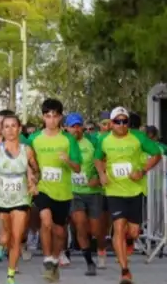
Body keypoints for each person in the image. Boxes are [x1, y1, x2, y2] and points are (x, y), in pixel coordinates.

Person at [94, 106, 162, 284]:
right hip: (114, 191)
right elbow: (97, 158)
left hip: (135, 190)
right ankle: (125, 271)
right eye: (118, 121)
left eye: (125, 121)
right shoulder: (104, 140)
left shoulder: (138, 137)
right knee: (118, 227)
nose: (122, 125)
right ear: (111, 123)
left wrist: (142, 171)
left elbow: (156, 154)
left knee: (133, 232)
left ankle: (129, 241)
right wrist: (101, 174)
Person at [27, 99, 82, 282]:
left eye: (55, 116)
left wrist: (68, 160)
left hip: (62, 192)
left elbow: (77, 168)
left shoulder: (68, 139)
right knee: (46, 221)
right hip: (42, 188)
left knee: (59, 232)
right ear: (43, 117)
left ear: (60, 117)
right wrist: (31, 177)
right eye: (48, 116)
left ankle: (56, 258)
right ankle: (47, 259)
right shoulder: (34, 138)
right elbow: (26, 160)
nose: (51, 120)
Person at [0, 114, 36, 284]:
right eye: (6, 127)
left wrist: (33, 180)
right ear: (2, 131)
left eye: (13, 126)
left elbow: (35, 169)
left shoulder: (27, 150)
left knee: (16, 238)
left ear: (19, 129)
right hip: (0, 199)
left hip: (21, 198)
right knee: (5, 238)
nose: (10, 130)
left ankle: (10, 276)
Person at [64, 113, 105, 275]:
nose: (76, 129)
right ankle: (89, 262)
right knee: (80, 224)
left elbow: (102, 160)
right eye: (72, 126)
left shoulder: (93, 141)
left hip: (93, 191)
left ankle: (101, 250)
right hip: (74, 192)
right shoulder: (64, 142)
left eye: (78, 126)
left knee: (95, 229)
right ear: (66, 128)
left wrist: (97, 177)